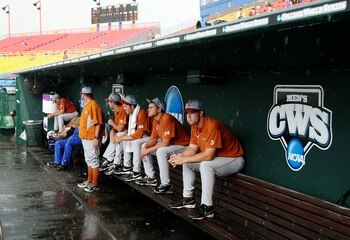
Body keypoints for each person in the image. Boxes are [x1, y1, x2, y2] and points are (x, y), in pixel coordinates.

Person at [168, 100, 244, 220]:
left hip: (233, 159)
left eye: (192, 112)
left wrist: (184, 158)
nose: (188, 115)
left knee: (205, 165)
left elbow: (209, 156)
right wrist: (180, 157)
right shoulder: (194, 127)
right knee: (187, 163)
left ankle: (208, 208)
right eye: (187, 112)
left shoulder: (212, 125)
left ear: (201, 113)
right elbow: (192, 149)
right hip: (218, 159)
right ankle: (188, 199)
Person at [136, 97, 189, 194]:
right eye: (148, 107)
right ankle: (151, 177)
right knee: (145, 145)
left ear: (159, 109)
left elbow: (165, 143)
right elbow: (153, 139)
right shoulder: (156, 120)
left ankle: (166, 185)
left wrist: (147, 150)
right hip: (173, 145)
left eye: (151, 107)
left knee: (161, 151)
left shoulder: (167, 118)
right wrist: (145, 148)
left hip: (184, 146)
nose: (148, 109)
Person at [110, 95, 153, 181]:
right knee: (124, 136)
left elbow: (140, 134)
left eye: (126, 106)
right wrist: (122, 137)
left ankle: (137, 172)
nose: (124, 108)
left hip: (151, 137)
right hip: (145, 137)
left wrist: (122, 138)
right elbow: (133, 133)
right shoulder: (131, 113)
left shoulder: (141, 112)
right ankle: (127, 166)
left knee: (135, 141)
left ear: (132, 106)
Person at [77, 86, 104, 193]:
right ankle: (89, 180)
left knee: (93, 160)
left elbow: (98, 123)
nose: (81, 95)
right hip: (86, 137)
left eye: (82, 94)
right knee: (89, 160)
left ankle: (95, 184)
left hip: (92, 138)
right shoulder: (88, 105)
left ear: (84, 94)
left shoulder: (94, 105)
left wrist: (96, 138)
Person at [99, 92, 129, 175]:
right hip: (123, 135)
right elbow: (116, 128)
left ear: (113, 102)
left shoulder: (123, 109)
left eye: (109, 101)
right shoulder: (116, 111)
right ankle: (109, 160)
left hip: (131, 135)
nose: (108, 103)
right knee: (115, 135)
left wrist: (112, 123)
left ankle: (114, 162)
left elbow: (120, 128)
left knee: (118, 135)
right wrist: (112, 131)